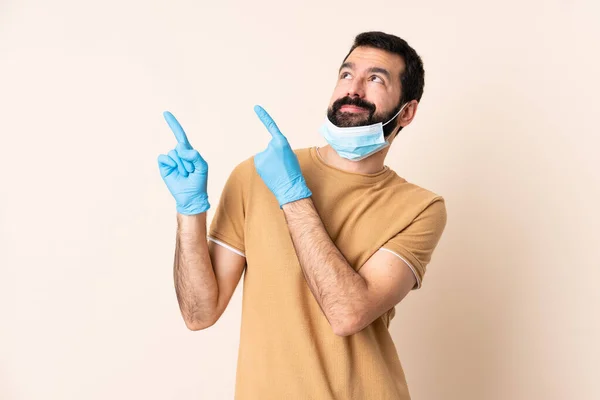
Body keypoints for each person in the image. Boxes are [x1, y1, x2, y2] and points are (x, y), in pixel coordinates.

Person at [157, 31, 447, 400]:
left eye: (375, 78)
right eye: (346, 74)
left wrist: (293, 196)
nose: (354, 89)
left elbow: (346, 315)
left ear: (407, 112)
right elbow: (200, 314)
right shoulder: (254, 175)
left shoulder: (419, 208)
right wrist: (189, 211)